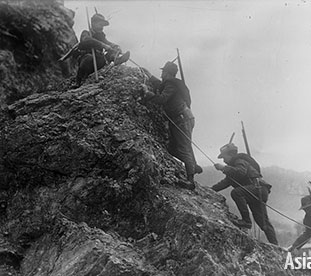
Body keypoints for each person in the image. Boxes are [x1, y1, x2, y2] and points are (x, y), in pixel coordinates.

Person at [142, 61, 202, 190]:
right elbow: (161, 86)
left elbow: (162, 98)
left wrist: (148, 94)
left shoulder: (170, 84)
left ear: (167, 73)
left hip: (182, 118)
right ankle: (193, 165)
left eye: (163, 72)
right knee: (174, 148)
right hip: (183, 117)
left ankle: (190, 181)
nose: (161, 74)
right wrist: (150, 76)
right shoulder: (172, 83)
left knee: (183, 147)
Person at [211, 143, 278, 245]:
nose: (223, 160)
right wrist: (210, 190)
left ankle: (246, 221)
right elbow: (225, 183)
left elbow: (240, 172)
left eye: (224, 157)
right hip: (257, 191)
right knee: (262, 222)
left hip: (257, 189)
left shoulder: (239, 161)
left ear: (231, 155)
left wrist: (224, 168)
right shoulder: (234, 167)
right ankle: (276, 246)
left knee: (236, 193)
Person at [74, 13, 130, 87]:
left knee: (112, 50)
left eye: (103, 26)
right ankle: (79, 81)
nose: (102, 28)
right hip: (88, 63)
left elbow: (107, 43)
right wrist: (103, 45)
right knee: (88, 57)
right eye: (100, 25)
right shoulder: (86, 33)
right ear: (93, 23)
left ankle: (116, 59)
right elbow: (86, 40)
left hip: (99, 62)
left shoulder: (101, 36)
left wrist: (115, 46)